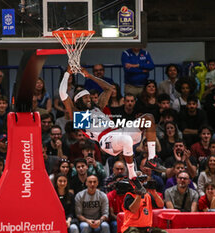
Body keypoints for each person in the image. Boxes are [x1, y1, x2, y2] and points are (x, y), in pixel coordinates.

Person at [60, 66, 165, 195]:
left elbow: (109, 88)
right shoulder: (78, 114)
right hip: (106, 140)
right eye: (85, 98)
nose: (89, 99)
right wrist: (67, 74)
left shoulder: (97, 107)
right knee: (126, 139)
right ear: (78, 102)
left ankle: (152, 159)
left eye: (89, 97)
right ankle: (132, 177)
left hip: (119, 131)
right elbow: (62, 94)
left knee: (148, 118)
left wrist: (90, 76)